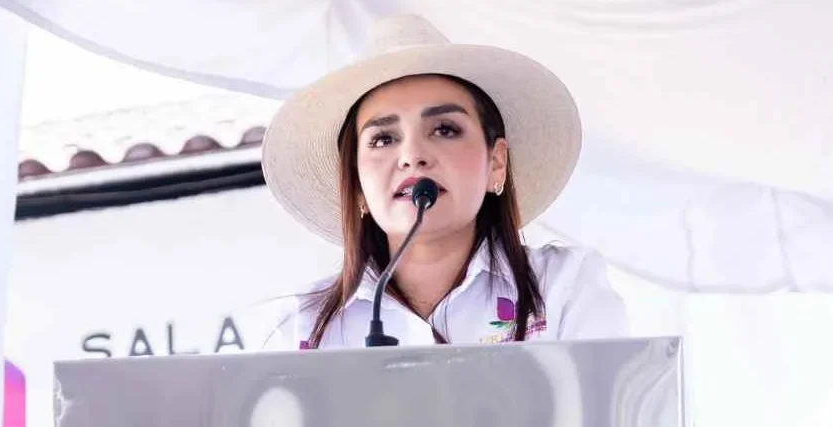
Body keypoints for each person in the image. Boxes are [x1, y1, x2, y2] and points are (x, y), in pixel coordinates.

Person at [258, 13, 628, 350]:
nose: (412, 155)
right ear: (356, 185)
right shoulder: (301, 327)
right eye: (383, 139)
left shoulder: (565, 287)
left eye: (445, 129)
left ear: (496, 163)